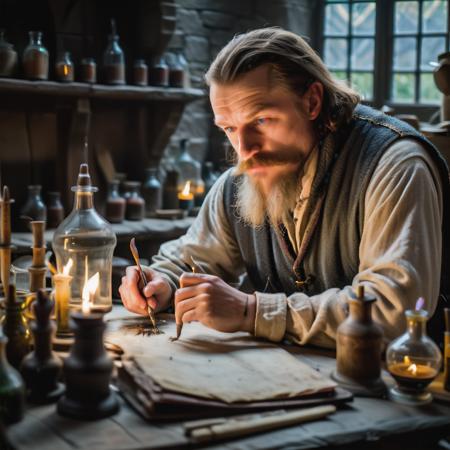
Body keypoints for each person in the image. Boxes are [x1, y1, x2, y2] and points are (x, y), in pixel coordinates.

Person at [119, 27, 449, 349]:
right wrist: (160, 282)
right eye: (230, 128)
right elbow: (192, 258)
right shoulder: (241, 181)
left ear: (312, 102)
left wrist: (250, 311)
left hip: (407, 392)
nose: (244, 150)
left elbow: (393, 310)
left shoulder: (395, 165)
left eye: (261, 121)